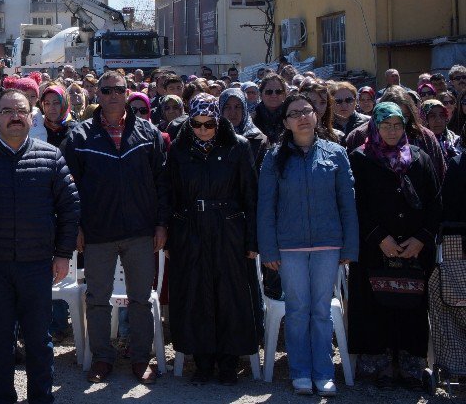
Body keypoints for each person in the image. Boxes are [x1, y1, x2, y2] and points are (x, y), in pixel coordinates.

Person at [0, 88, 80, 404]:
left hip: (37, 265)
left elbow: (70, 206)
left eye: (20, 111)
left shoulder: (49, 156)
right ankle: (3, 396)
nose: (14, 117)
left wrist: (63, 254)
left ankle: (41, 397)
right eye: (7, 111)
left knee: (38, 339)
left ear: (31, 115)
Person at [63, 70, 168, 385]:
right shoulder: (79, 137)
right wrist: (76, 227)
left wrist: (161, 224)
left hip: (140, 232)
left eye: (118, 90)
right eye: (106, 90)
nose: (112, 95)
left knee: (140, 299)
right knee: (97, 300)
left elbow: (163, 185)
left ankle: (140, 358)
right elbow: (69, 189)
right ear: (98, 94)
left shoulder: (149, 134)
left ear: (127, 93)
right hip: (97, 233)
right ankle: (102, 357)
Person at [257, 93, 359, 396]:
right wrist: (269, 249)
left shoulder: (336, 153)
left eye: (307, 111)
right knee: (298, 309)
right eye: (294, 113)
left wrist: (349, 248)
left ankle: (323, 371)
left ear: (317, 116)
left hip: (329, 245)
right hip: (290, 247)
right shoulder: (274, 157)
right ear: (286, 122)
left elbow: (347, 203)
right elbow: (266, 207)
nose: (302, 117)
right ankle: (300, 371)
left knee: (321, 311)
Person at [163, 94, 259, 385]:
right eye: (197, 124)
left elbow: (250, 196)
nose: (203, 130)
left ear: (219, 122)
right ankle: (202, 361)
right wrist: (169, 237)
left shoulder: (238, 147)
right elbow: (169, 195)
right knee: (196, 294)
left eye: (209, 124)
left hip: (228, 228)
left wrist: (252, 241)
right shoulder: (179, 149)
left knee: (229, 294)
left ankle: (229, 361)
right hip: (190, 229)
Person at [347, 102, 441, 389]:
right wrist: (380, 238)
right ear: (374, 126)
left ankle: (412, 365)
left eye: (397, 125)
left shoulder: (419, 157)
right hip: (375, 248)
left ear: (405, 127)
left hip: (414, 250)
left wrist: (421, 239)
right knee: (377, 307)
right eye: (385, 125)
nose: (391, 131)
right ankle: (381, 366)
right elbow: (355, 204)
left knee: (411, 308)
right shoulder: (361, 158)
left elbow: (435, 203)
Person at [219, 87, 267, 168]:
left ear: (244, 109)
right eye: (227, 107)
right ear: (221, 110)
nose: (233, 112)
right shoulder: (213, 138)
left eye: (238, 107)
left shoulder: (259, 139)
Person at [252, 73, 288, 144]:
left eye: (278, 92)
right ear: (261, 94)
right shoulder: (252, 119)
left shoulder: (291, 115)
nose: (274, 95)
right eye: (269, 92)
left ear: (284, 95)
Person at [40, 84, 76, 148]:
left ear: (64, 104)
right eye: (47, 103)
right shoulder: (38, 126)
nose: (51, 108)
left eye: (56, 103)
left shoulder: (75, 130)